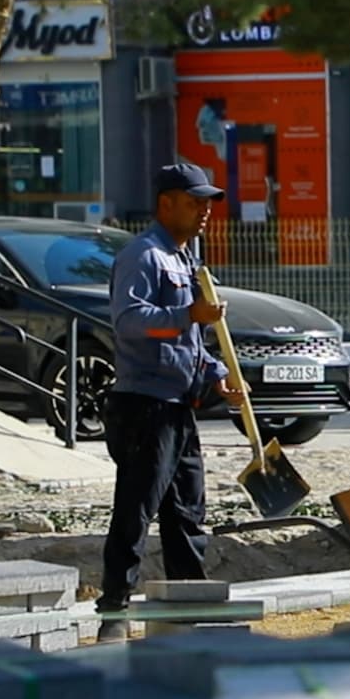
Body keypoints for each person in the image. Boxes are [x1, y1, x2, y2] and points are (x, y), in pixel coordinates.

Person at [97, 163, 246, 616]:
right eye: (194, 201)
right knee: (136, 510)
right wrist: (188, 316)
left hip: (179, 406)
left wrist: (216, 373)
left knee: (186, 511)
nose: (204, 211)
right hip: (144, 407)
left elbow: (192, 345)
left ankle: (191, 604)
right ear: (166, 203)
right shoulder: (144, 255)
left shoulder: (185, 258)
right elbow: (128, 321)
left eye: (207, 202)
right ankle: (115, 605)